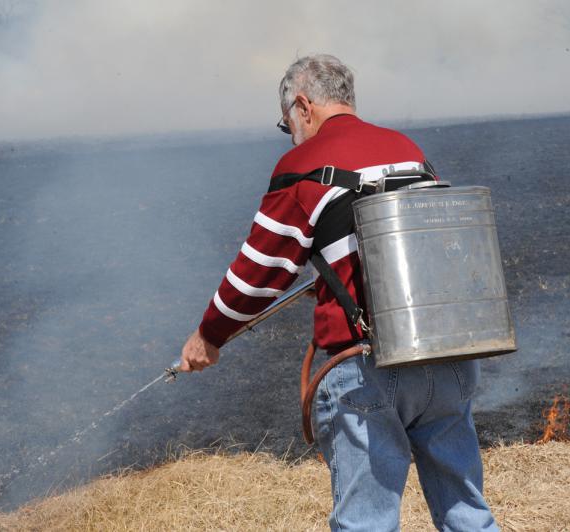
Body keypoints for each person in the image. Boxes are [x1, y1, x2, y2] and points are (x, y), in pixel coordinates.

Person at [179, 54, 498, 531]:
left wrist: (209, 334)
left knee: (365, 522)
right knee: (467, 514)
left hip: (367, 368)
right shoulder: (406, 148)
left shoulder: (303, 164)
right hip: (448, 360)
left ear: (303, 106)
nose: (289, 133)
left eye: (286, 122)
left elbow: (258, 273)